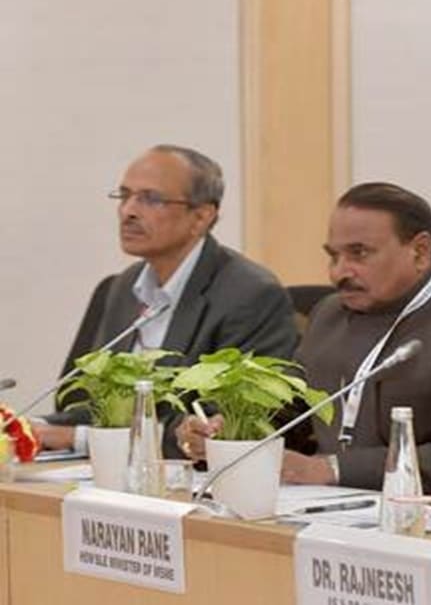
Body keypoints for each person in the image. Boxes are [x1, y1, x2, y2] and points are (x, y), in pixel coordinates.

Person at [176, 183, 431, 494]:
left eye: (359, 253)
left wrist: (329, 469)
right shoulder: (330, 314)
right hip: (327, 512)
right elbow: (295, 415)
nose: (338, 273)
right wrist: (226, 433)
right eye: (334, 256)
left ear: (420, 251)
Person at [37, 145, 297, 454]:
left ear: (201, 217)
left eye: (150, 199)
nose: (128, 211)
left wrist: (77, 438)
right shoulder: (124, 287)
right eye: (125, 196)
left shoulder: (249, 293)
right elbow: (93, 406)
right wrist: (28, 425)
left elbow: (218, 429)